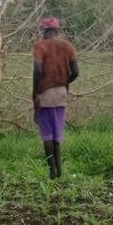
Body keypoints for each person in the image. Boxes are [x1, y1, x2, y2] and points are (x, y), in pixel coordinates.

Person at [32, 17, 79, 179]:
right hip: (61, 93)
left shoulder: (40, 46)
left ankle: (52, 171)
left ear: (44, 31)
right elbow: (76, 73)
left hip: (45, 93)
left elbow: (37, 71)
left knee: (47, 135)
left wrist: (35, 92)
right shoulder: (68, 46)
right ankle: (60, 171)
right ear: (57, 31)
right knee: (57, 135)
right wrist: (64, 81)